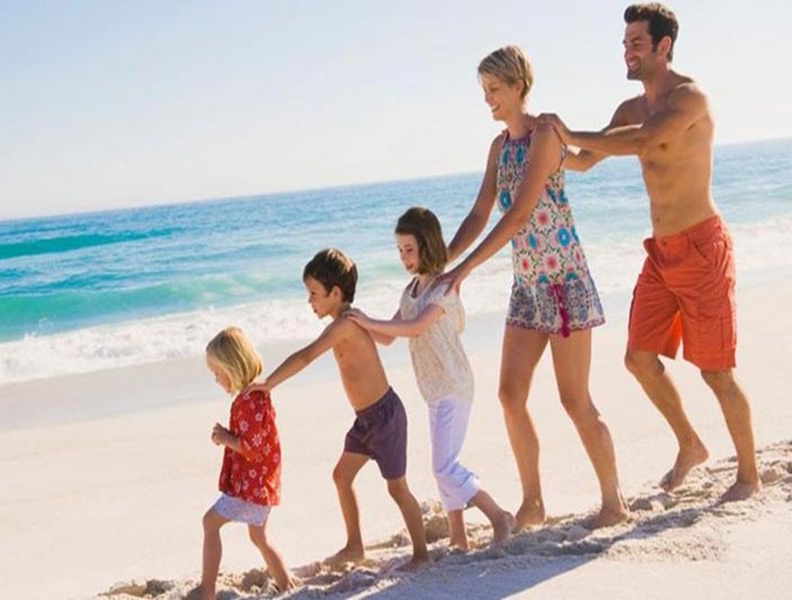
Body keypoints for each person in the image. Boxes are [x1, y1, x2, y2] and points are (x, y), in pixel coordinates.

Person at [538, 3, 761, 503]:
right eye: (624, 44)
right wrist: (537, 136)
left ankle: (749, 475)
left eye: (636, 43)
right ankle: (690, 444)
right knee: (639, 359)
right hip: (661, 253)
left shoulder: (690, 98)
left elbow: (644, 141)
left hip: (702, 248)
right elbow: (583, 161)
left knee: (716, 372)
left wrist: (569, 132)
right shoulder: (629, 109)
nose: (627, 52)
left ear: (664, 46)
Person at [439, 45, 628, 530]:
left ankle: (614, 502)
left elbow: (520, 213)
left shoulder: (545, 136)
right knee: (510, 394)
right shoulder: (499, 147)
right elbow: (480, 212)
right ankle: (533, 502)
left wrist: (465, 271)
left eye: (494, 89)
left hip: (565, 283)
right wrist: (443, 261)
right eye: (484, 91)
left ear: (518, 86)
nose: (488, 99)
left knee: (574, 399)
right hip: (527, 288)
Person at [246, 248, 429, 569]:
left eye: (314, 294)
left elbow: (307, 355)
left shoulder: (344, 324)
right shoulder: (347, 319)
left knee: (397, 488)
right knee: (341, 476)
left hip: (385, 417)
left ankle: (422, 554)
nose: (310, 301)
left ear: (335, 293)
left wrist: (270, 383)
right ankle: (355, 546)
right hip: (365, 420)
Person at [347, 207, 515, 550]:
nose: (404, 257)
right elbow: (388, 337)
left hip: (454, 385)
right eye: (400, 250)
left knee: (444, 467)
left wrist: (368, 322)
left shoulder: (443, 288)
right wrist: (355, 324)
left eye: (409, 249)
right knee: (443, 464)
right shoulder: (409, 291)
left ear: (427, 244)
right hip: (433, 390)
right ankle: (458, 537)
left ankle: (499, 517)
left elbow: (415, 327)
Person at [192, 327, 293, 600]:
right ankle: (286, 585)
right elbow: (252, 438)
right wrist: (228, 435)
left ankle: (207, 589)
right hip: (257, 483)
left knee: (210, 523)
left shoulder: (250, 401)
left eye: (217, 373)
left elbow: (252, 448)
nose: (216, 379)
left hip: (251, 486)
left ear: (232, 367)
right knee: (259, 537)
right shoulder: (252, 396)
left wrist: (226, 438)